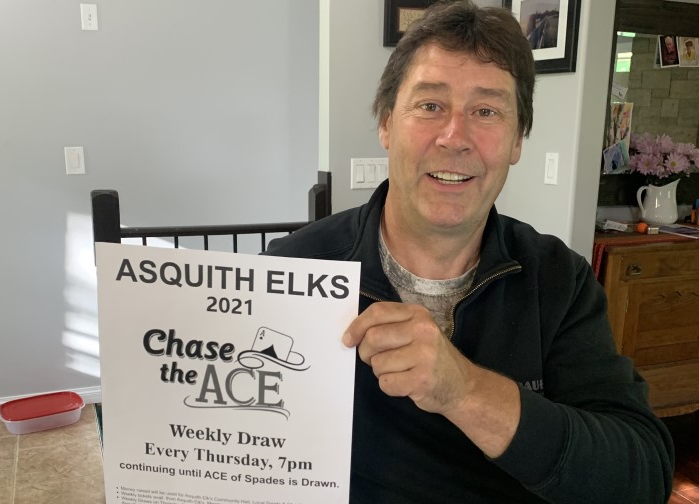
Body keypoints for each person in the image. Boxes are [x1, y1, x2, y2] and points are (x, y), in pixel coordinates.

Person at [266, 1, 674, 502]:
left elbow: (641, 479)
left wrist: (464, 391)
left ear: (518, 140)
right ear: (387, 123)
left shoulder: (557, 281)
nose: (454, 137)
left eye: (486, 111)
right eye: (430, 105)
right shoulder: (293, 268)